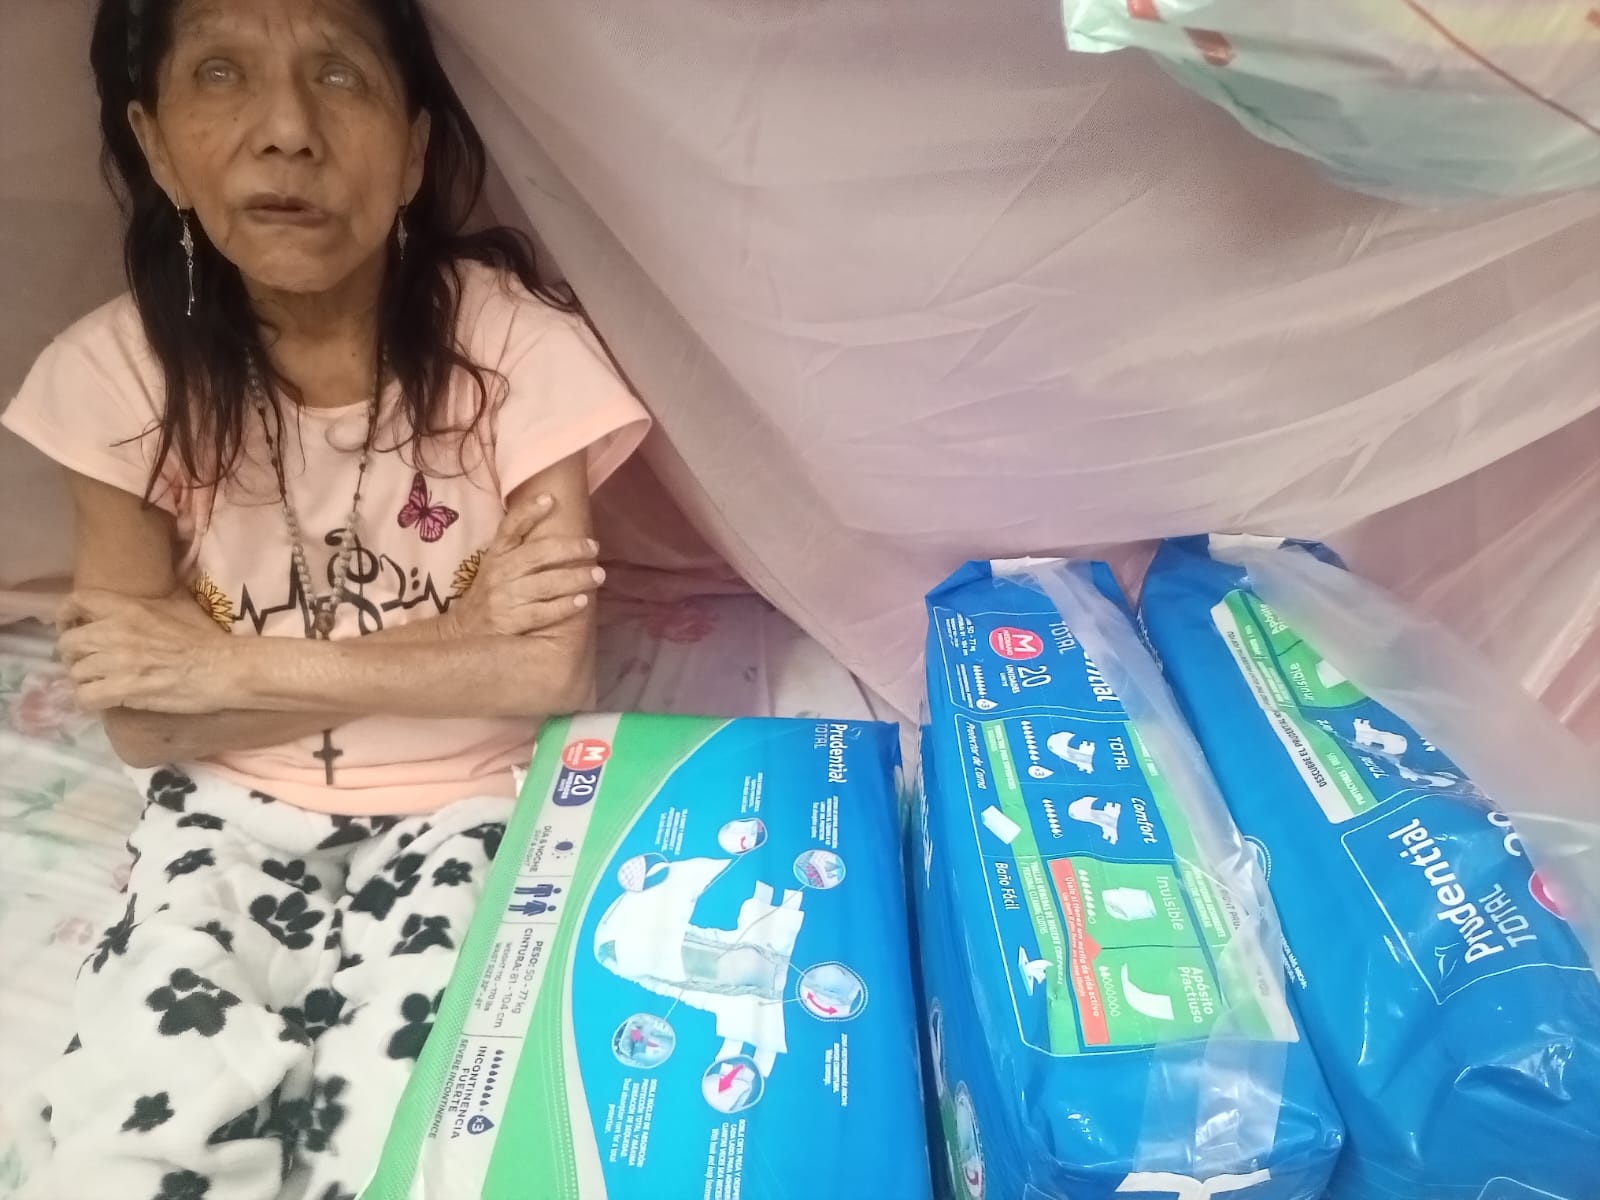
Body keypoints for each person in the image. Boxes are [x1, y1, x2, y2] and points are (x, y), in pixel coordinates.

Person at [0, 1, 649, 1197]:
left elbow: (546, 669)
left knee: (421, 1137)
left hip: (473, 803)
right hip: (218, 812)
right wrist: (460, 638)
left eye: (340, 77)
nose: (287, 129)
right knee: (138, 1130)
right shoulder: (111, 375)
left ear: (413, 152)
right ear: (155, 147)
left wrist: (223, 667)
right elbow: (142, 721)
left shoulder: (517, 350)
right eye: (221, 75)